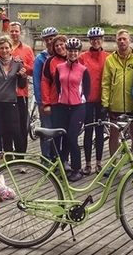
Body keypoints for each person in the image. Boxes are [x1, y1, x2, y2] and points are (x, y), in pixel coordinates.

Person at [45, 37, 90, 182]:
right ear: (67, 51)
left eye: (75, 51)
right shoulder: (59, 68)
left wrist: (79, 99)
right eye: (70, 50)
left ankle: (77, 168)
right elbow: (57, 86)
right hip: (63, 107)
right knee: (61, 136)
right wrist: (62, 98)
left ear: (78, 52)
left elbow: (87, 90)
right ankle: (64, 165)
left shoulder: (83, 70)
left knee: (72, 138)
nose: (72, 53)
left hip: (78, 108)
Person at [102, 29, 133, 158]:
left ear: (130, 40)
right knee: (114, 135)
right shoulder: (110, 59)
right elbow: (106, 83)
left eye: (124, 39)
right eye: (119, 39)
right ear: (116, 41)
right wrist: (105, 103)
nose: (122, 41)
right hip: (116, 104)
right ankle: (113, 163)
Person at [0, 36, 28, 156]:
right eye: (1, 48)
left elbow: (22, 86)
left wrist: (23, 77)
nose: (4, 50)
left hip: (11, 101)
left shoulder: (18, 63)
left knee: (15, 131)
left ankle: (21, 157)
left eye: (7, 48)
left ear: (10, 48)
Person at [79, 27, 108, 175]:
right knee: (88, 131)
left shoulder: (108, 57)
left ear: (102, 40)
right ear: (89, 41)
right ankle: (88, 163)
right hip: (88, 99)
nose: (96, 41)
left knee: (100, 131)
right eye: (93, 39)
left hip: (102, 99)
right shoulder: (83, 57)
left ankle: (99, 162)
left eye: (98, 39)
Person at [5, 21, 35, 150]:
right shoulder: (3, 47)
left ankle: (21, 155)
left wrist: (22, 65)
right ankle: (8, 154)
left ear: (21, 33)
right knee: (7, 126)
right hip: (5, 94)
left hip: (21, 94)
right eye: (11, 31)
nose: (14, 33)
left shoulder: (27, 49)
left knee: (22, 126)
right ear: (8, 32)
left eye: (16, 31)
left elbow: (33, 70)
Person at [41, 34, 68, 164]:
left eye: (61, 44)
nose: (59, 47)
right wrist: (46, 103)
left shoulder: (73, 58)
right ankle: (54, 160)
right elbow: (45, 83)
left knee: (68, 133)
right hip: (55, 102)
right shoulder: (50, 62)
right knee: (56, 134)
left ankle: (65, 160)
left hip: (70, 103)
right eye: (56, 45)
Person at [33, 27, 58, 160]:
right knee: (46, 130)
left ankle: (57, 157)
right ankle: (46, 158)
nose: (49, 41)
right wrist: (41, 103)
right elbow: (37, 82)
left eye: (52, 39)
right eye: (47, 39)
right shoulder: (40, 59)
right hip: (46, 101)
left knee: (58, 130)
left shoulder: (61, 55)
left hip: (59, 101)